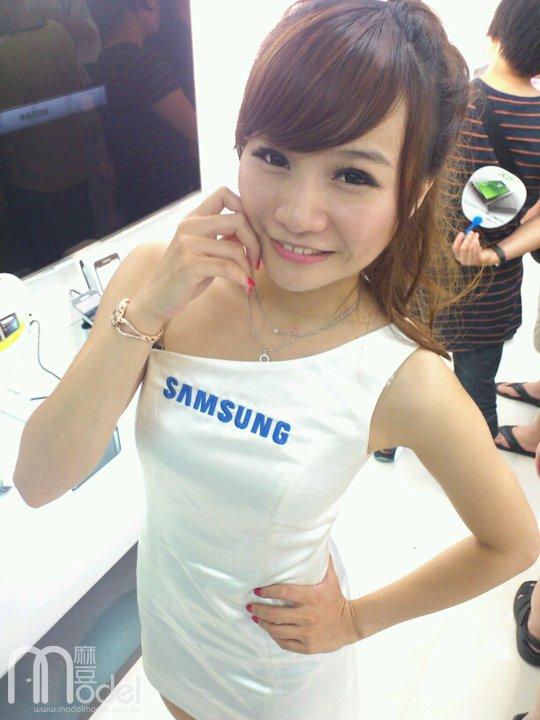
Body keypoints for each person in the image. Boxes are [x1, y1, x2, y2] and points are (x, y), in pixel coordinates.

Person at [12, 2, 540, 719]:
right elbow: (40, 480)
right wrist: (150, 308)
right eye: (274, 157)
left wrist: (355, 619)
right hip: (169, 627)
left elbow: (511, 543)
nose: (297, 212)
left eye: (352, 176)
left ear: (412, 194)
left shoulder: (403, 378)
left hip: (277, 677)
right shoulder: (154, 279)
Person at [375, 0, 540, 463]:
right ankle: (472, 464)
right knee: (476, 387)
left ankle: (387, 442)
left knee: (403, 362)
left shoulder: (446, 103)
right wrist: (493, 254)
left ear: (495, 34)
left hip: (423, 272)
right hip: (492, 289)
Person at [87, 0, 200, 225]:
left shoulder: (103, 62)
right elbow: (196, 129)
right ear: (134, 8)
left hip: (135, 188)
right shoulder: (143, 64)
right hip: (170, 190)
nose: (159, 8)